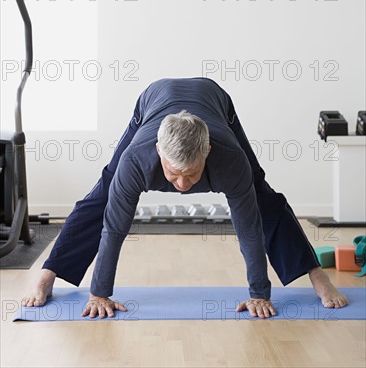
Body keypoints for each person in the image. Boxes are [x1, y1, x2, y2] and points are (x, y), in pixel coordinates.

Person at [22, 77, 348, 319]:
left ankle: (318, 277)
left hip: (215, 100)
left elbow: (248, 227)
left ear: (208, 152)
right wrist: (99, 294)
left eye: (191, 174)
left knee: (263, 195)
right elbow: (115, 228)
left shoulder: (229, 160)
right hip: (153, 100)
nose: (181, 185)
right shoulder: (136, 160)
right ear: (158, 151)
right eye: (173, 173)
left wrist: (259, 294)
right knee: (103, 195)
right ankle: (47, 275)